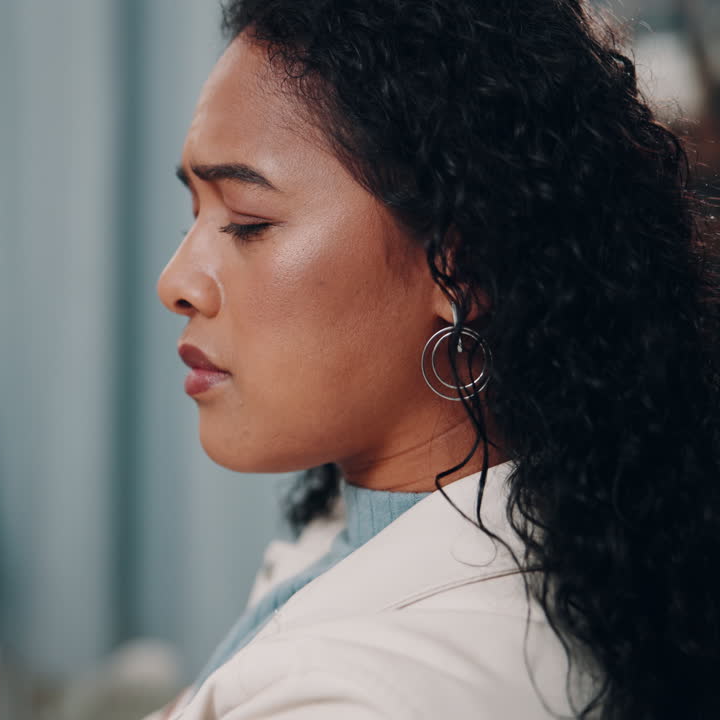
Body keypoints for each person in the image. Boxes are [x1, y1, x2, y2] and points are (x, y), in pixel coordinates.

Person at [154, 1, 719, 718]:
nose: (176, 281)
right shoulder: (585, 529)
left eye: (247, 222)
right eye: (195, 214)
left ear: (464, 268)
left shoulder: (369, 698)